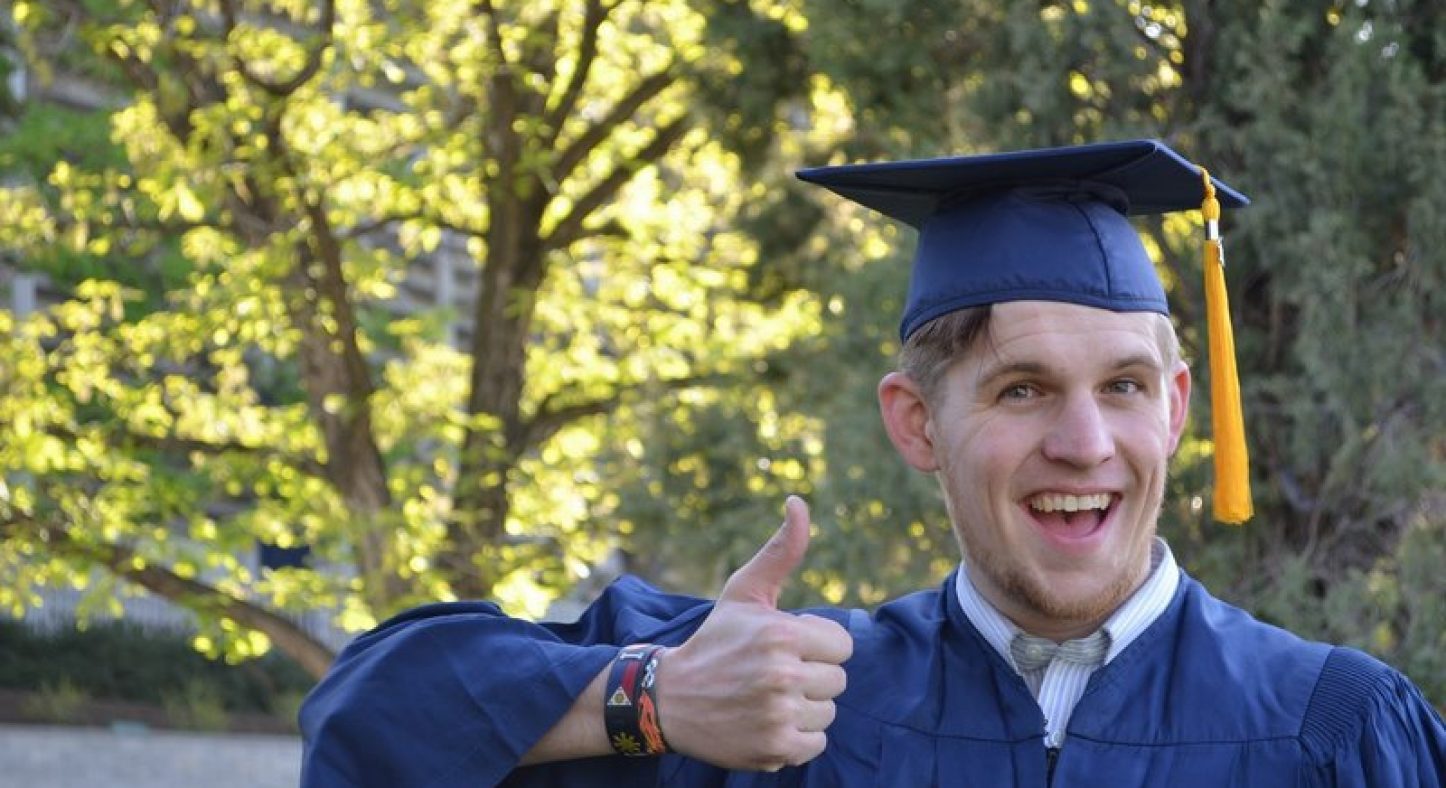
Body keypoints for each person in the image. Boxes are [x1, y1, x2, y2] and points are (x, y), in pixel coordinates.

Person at [299, 139, 1446, 787]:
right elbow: (367, 718)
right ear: (915, 423)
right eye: (1022, 387)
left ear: (1180, 407)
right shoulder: (792, 703)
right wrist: (648, 696)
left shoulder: (1335, 729)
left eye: (1124, 387)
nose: (1086, 442)